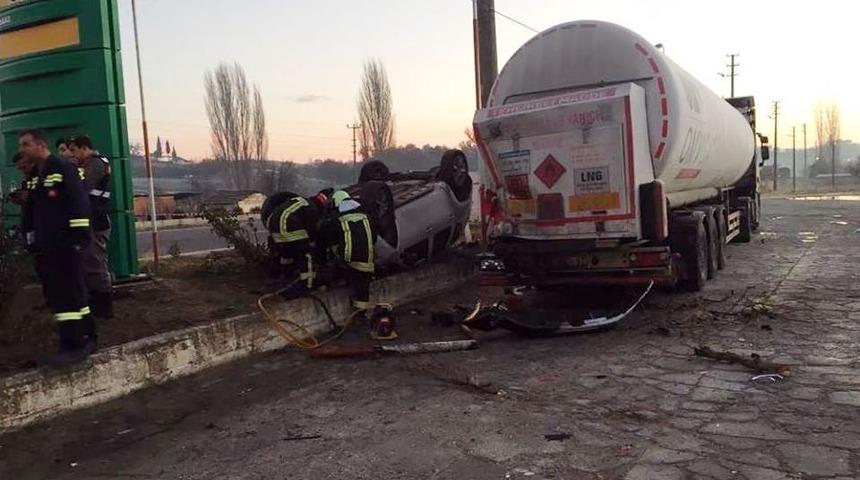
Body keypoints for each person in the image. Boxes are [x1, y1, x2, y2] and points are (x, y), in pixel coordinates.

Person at [19, 129, 95, 365]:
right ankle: (86, 336)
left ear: (41, 144)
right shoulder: (36, 175)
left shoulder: (63, 169)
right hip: (47, 246)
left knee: (68, 294)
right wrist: (31, 239)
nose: (22, 150)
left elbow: (79, 203)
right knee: (62, 293)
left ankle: (74, 344)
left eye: (25, 144)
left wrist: (78, 240)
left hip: (67, 244)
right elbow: (31, 212)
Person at [70, 135, 113, 319]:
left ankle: (103, 307)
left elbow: (83, 187)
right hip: (90, 218)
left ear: (84, 148)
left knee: (96, 263)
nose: (72, 154)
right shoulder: (88, 164)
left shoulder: (95, 163)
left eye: (74, 150)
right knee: (89, 263)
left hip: (97, 219)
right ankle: (95, 305)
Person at [261, 190, 330, 297]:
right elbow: (311, 229)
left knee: (287, 253)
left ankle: (286, 276)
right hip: (289, 227)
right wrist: (312, 243)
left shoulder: (301, 202)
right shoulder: (312, 208)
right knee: (306, 255)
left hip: (274, 228)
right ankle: (308, 284)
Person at [319, 190, 376, 311]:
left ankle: (335, 281)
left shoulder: (338, 219)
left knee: (335, 254)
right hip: (367, 259)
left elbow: (324, 232)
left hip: (347, 259)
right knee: (363, 289)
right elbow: (374, 237)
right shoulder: (367, 217)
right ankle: (360, 314)